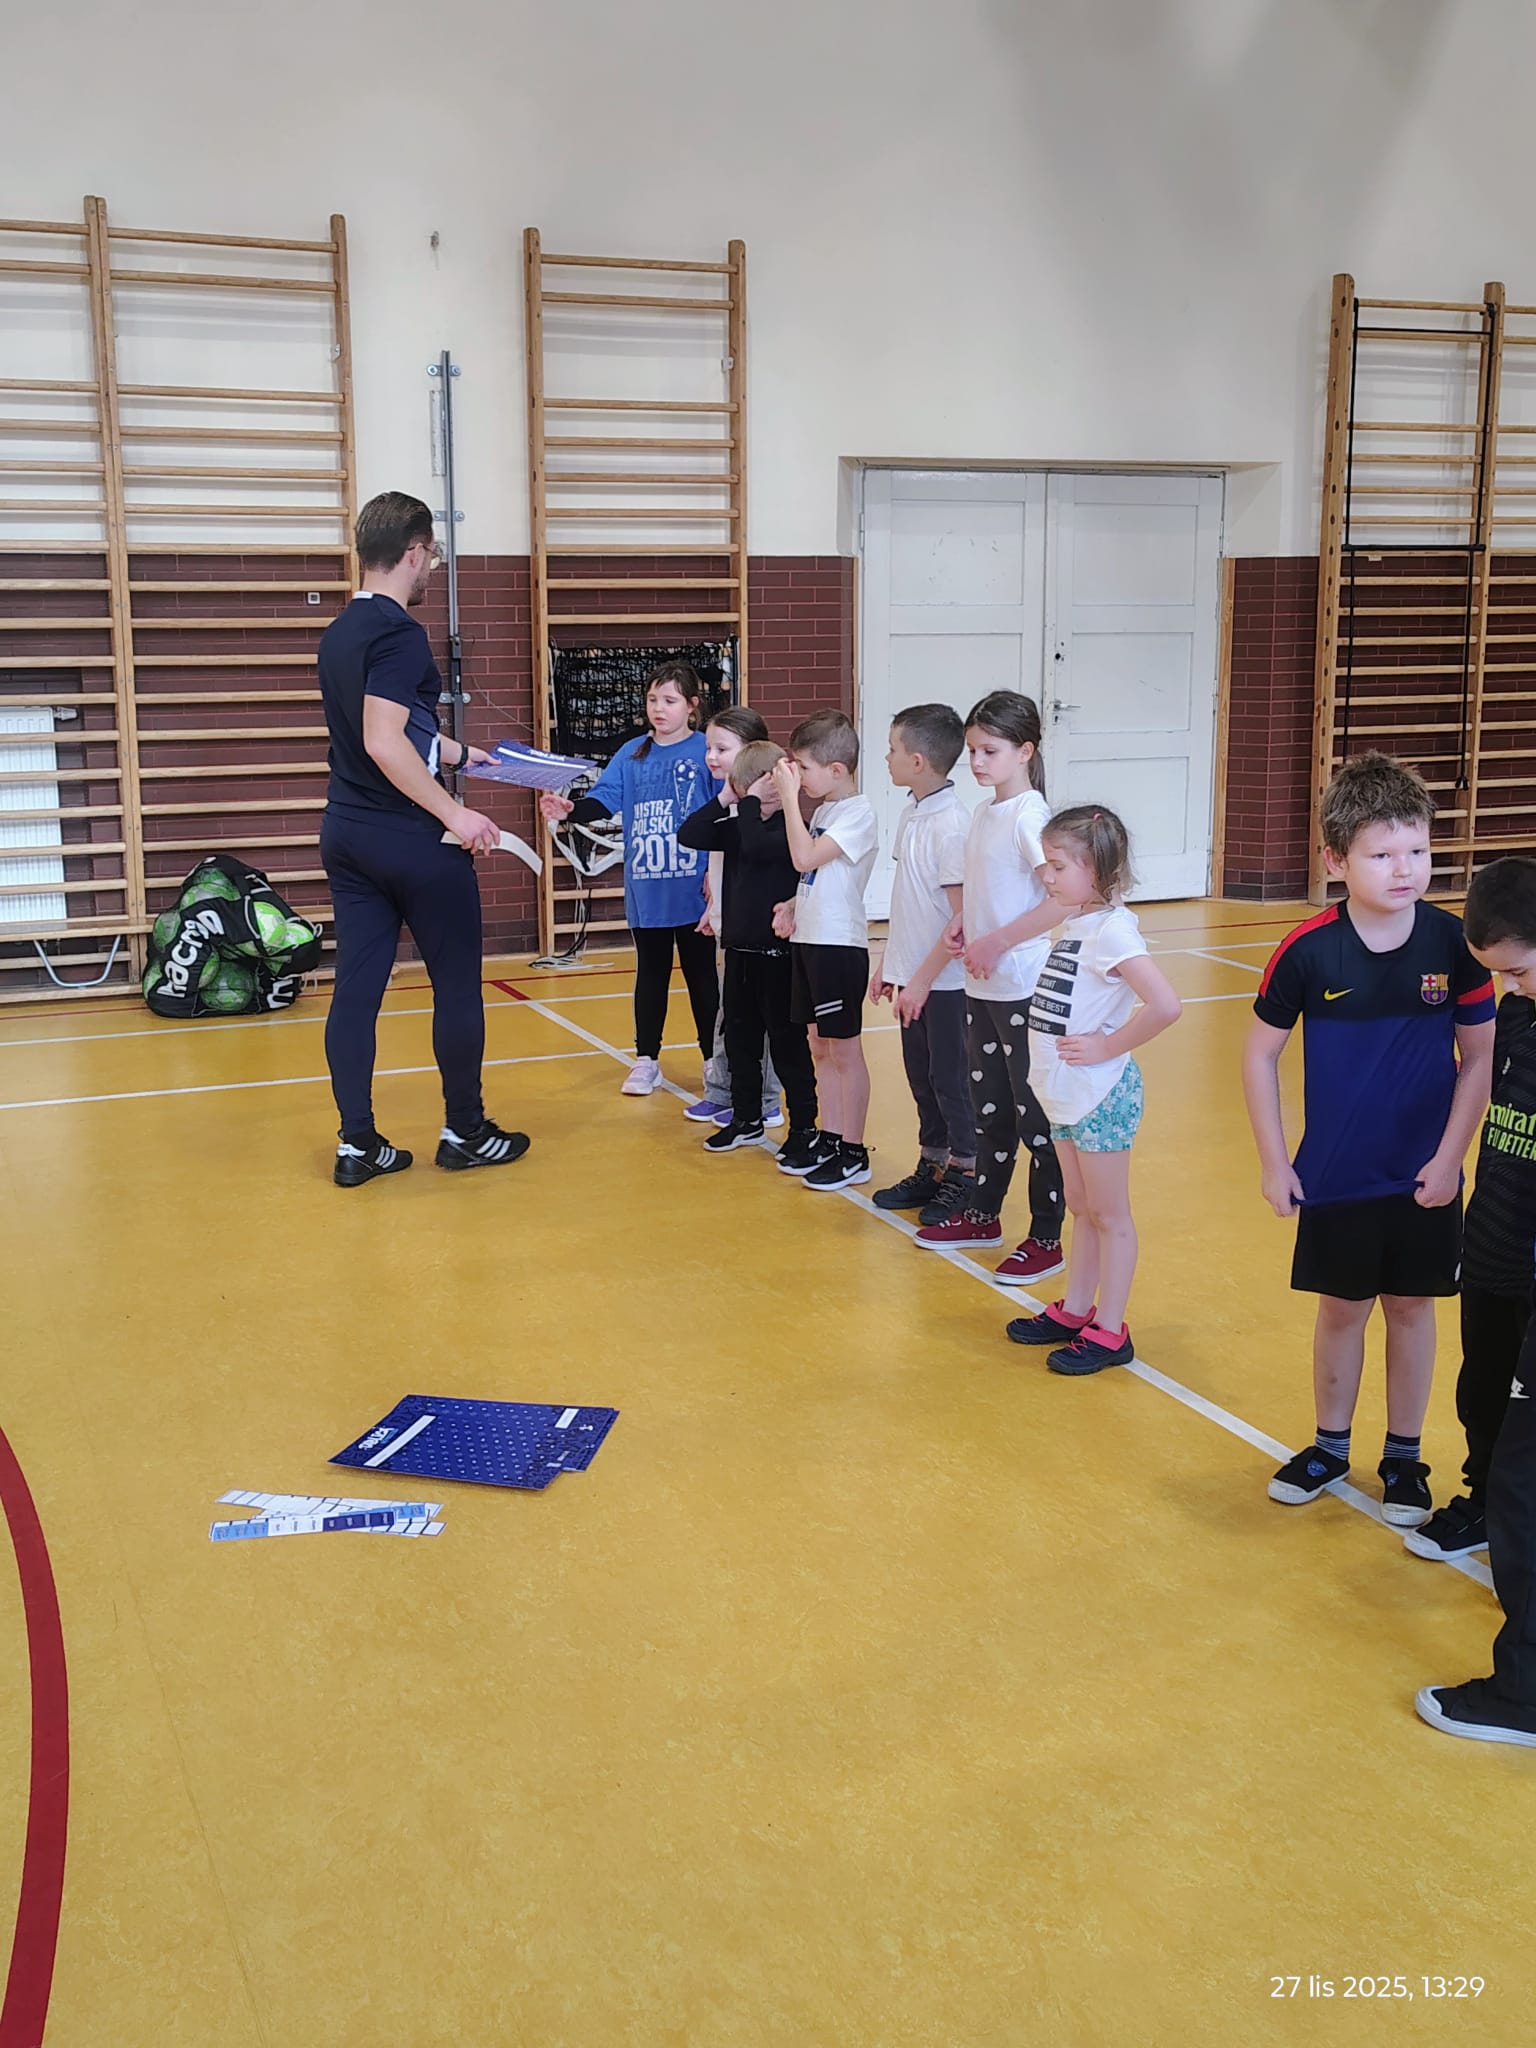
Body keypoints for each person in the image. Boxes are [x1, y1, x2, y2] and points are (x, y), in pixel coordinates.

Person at [1243, 752, 1495, 1525]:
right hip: (1338, 1176)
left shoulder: (1455, 944)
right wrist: (1275, 1161)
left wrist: (1450, 1159)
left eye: (1417, 850)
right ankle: (1329, 1446)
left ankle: (1405, 1458)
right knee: (1342, 1310)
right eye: (1382, 854)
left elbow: (1480, 1059)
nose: (1405, 869)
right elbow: (1258, 1054)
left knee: (1413, 1310)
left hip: (1424, 1178)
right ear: (1336, 860)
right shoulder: (1308, 949)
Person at [317, 490, 528, 1187]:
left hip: (347, 832)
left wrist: (462, 755)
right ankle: (466, 1130)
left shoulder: (340, 633)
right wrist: (455, 815)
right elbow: (384, 742)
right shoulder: (400, 633)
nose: (433, 564)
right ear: (414, 552)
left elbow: (387, 730)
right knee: (456, 985)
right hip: (409, 838)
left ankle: (358, 1144)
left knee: (356, 991)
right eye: (433, 553)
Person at [1005, 807, 1182, 1373]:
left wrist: (1109, 1046)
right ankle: (1077, 1308)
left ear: (1098, 870)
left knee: (1109, 1214)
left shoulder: (1113, 931)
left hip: (1100, 1096)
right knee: (1081, 1206)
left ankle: (1110, 1328)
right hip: (1065, 1094)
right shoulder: (1079, 924)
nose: (1046, 875)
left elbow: (1165, 1005)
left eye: (1058, 866)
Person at [1407, 857, 1536, 1562]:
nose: (1509, 987)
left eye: (1518, 971)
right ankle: (1484, 1501)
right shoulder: (1514, 1017)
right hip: (1490, 1245)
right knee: (1483, 1388)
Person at [913, 691, 1065, 1283]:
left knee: (1035, 1119)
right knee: (991, 1112)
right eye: (972, 750)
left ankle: (1046, 1236)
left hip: (1022, 986)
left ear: (1025, 751)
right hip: (985, 988)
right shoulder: (985, 813)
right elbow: (989, 892)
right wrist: (964, 924)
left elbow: (1061, 899)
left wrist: (998, 940)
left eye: (989, 751)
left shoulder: (1030, 816)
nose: (976, 762)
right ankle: (983, 1214)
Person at [539, 662, 718, 1096]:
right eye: (653, 699)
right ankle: (646, 1059)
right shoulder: (633, 752)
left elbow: (723, 811)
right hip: (648, 886)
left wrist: (716, 875)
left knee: (702, 976)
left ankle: (714, 1058)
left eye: (670, 701)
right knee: (651, 973)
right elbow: (605, 799)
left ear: (692, 706)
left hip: (694, 886)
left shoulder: (705, 752)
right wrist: (572, 811)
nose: (659, 708)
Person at [676, 739, 818, 1156]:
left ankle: (803, 1127)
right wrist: (727, 798)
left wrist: (754, 802)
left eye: (751, 791)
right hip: (739, 953)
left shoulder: (789, 831)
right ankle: (746, 1119)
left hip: (778, 957)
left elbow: (756, 846)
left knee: (787, 1048)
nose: (746, 801)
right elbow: (690, 833)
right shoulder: (741, 824)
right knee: (740, 1042)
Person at [869, 703, 977, 1224]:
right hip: (914, 977)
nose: (886, 757)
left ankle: (966, 1173)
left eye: (892, 749)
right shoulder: (913, 812)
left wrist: (922, 979)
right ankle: (933, 1165)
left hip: (944, 983)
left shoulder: (952, 826)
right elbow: (909, 901)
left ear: (917, 761)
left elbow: (960, 920)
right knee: (922, 1078)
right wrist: (891, 965)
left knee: (950, 1080)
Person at [771, 709, 880, 1190]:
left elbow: (803, 857)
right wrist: (795, 902)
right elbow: (817, 873)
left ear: (836, 770)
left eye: (803, 767)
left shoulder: (859, 812)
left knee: (844, 1050)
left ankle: (853, 1149)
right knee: (819, 1046)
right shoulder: (825, 812)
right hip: (809, 939)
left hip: (837, 945)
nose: (797, 776)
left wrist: (788, 799)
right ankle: (831, 1136)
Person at [682, 704, 784, 1132]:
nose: (711, 757)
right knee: (730, 1018)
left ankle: (765, 1099)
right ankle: (725, 1092)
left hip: (762, 936)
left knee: (761, 1025)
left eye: (721, 749)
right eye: (708, 748)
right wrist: (715, 909)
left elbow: (755, 859)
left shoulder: (769, 819)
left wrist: (746, 798)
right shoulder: (731, 807)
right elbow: (699, 841)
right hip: (731, 927)